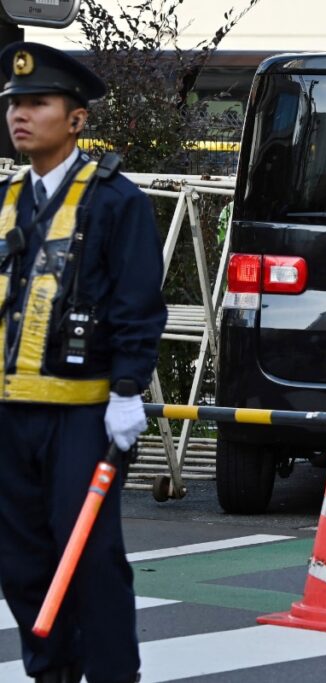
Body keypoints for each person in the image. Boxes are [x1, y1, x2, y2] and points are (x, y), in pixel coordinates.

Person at [0, 43, 166, 683]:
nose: (20, 115)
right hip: (11, 416)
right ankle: (52, 673)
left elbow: (135, 301)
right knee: (21, 561)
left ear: (76, 120)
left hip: (82, 416)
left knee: (90, 561)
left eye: (37, 103)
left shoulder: (114, 201)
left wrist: (128, 388)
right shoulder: (9, 197)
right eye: (14, 104)